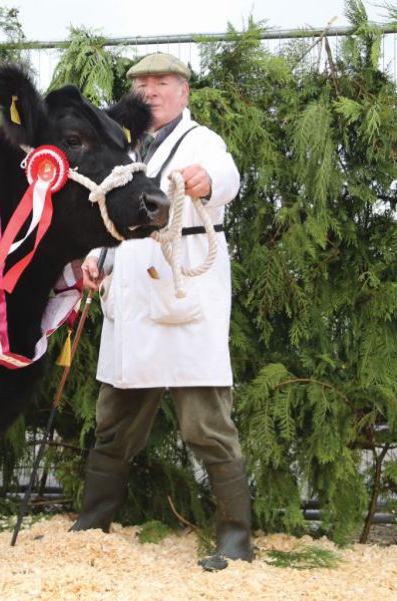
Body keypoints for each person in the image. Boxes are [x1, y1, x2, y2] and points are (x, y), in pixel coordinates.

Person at [69, 52, 251, 572]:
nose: (150, 90)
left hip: (183, 293)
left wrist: (204, 180)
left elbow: (227, 177)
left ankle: (236, 539)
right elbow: (112, 211)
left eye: (162, 82)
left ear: (183, 92)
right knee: (114, 423)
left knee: (206, 426)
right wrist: (98, 256)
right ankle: (91, 527)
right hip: (131, 292)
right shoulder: (121, 144)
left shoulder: (202, 142)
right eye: (142, 82)